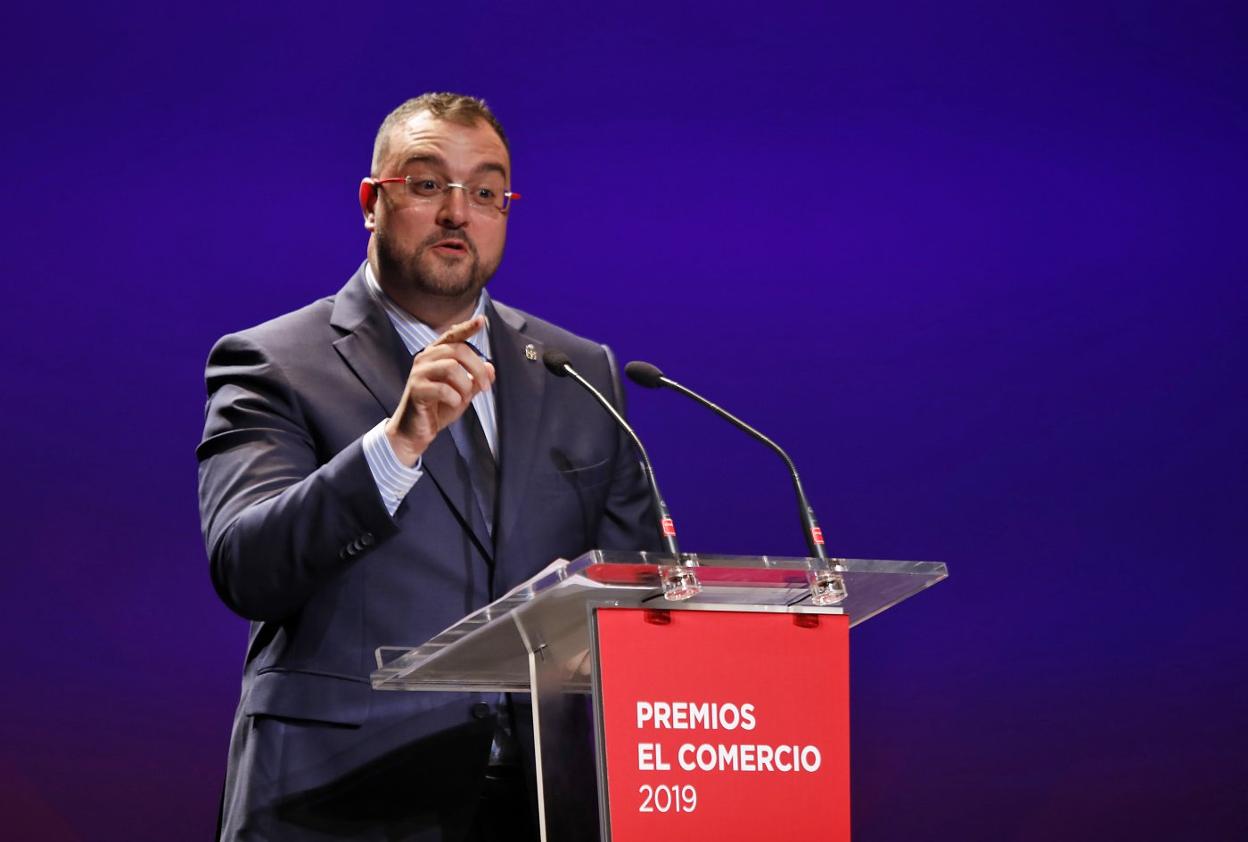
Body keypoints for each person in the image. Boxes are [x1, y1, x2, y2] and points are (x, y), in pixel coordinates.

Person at [197, 92, 658, 841]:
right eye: (425, 183)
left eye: (485, 191)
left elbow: (635, 590)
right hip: (341, 799)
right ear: (370, 202)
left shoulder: (580, 372)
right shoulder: (273, 362)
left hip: (544, 805)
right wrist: (397, 444)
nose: (457, 211)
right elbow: (249, 567)